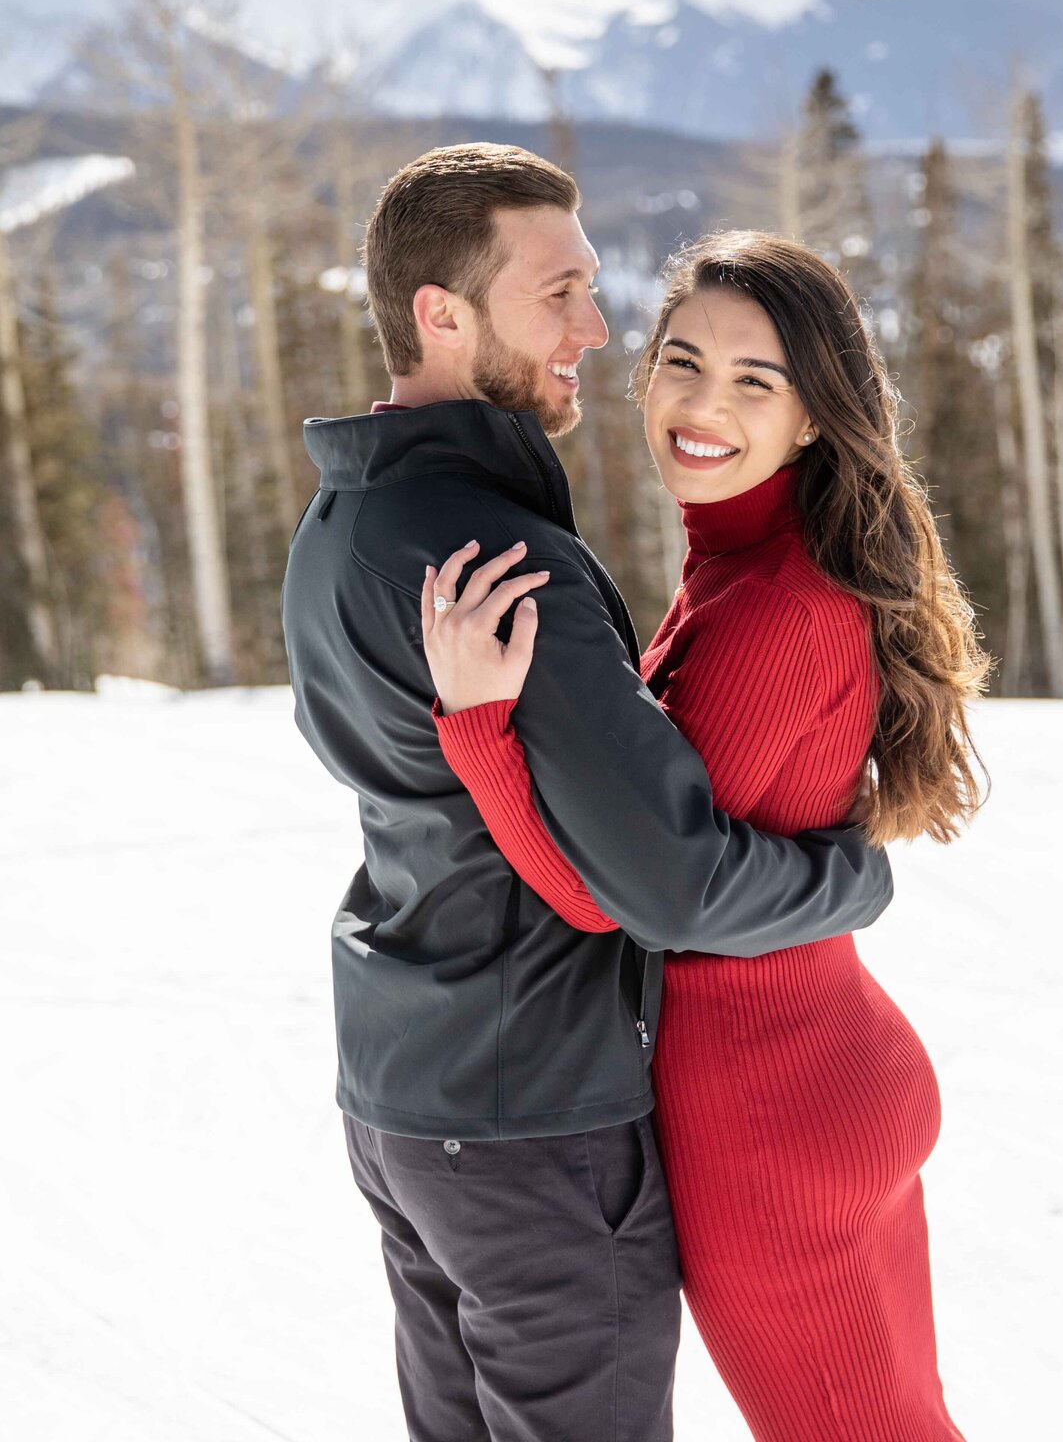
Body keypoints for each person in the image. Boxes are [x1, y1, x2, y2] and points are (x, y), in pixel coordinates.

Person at [280, 146, 893, 1442]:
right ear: (442, 312)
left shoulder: (341, 522)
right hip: (534, 1117)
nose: (594, 328)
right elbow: (669, 881)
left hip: (404, 1099)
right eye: (557, 292)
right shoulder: (499, 564)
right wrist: (853, 874)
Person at [422, 230, 990, 1442]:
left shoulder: (776, 607)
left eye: (755, 381)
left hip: (771, 1125)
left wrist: (476, 730)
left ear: (815, 420)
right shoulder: (745, 566)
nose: (703, 405)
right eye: (682, 361)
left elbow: (630, 899)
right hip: (819, 1068)